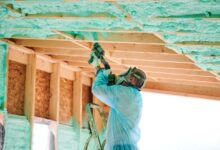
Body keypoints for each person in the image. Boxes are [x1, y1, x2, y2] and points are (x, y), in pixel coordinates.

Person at [90, 51, 147, 150]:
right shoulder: (136, 96)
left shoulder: (123, 92)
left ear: (132, 79)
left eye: (129, 76)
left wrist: (101, 72)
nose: (124, 76)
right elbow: (118, 91)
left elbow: (97, 89)